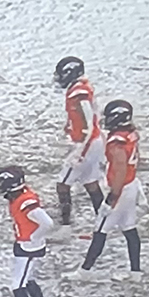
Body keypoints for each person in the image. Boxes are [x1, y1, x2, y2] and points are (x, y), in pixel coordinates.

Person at [74, 100, 145, 280]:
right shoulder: (130, 134)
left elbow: (120, 169)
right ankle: (135, 272)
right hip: (131, 185)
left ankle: (85, 271)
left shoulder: (116, 142)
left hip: (121, 188)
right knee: (129, 229)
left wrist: (112, 197)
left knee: (100, 230)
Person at [0, 167, 53, 297]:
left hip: (29, 247)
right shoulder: (20, 197)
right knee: (28, 279)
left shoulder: (25, 203)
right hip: (25, 243)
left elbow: (48, 223)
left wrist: (34, 236)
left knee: (18, 285)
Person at [53, 56, 106, 228]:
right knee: (91, 183)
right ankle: (103, 220)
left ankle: (66, 224)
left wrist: (80, 153)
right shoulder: (82, 88)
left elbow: (90, 123)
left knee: (63, 184)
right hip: (93, 141)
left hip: (87, 143)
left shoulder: (79, 93)